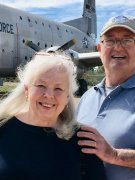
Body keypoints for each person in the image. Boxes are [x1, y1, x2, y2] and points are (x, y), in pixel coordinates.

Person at [0, 52, 107, 180]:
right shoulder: (3, 127)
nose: (49, 95)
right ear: (27, 90)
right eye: (41, 85)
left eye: (58, 88)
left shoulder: (84, 139)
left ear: (68, 96)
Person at [76, 15, 135, 180]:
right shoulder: (87, 97)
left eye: (127, 40)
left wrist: (114, 155)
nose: (117, 47)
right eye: (109, 41)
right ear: (100, 49)